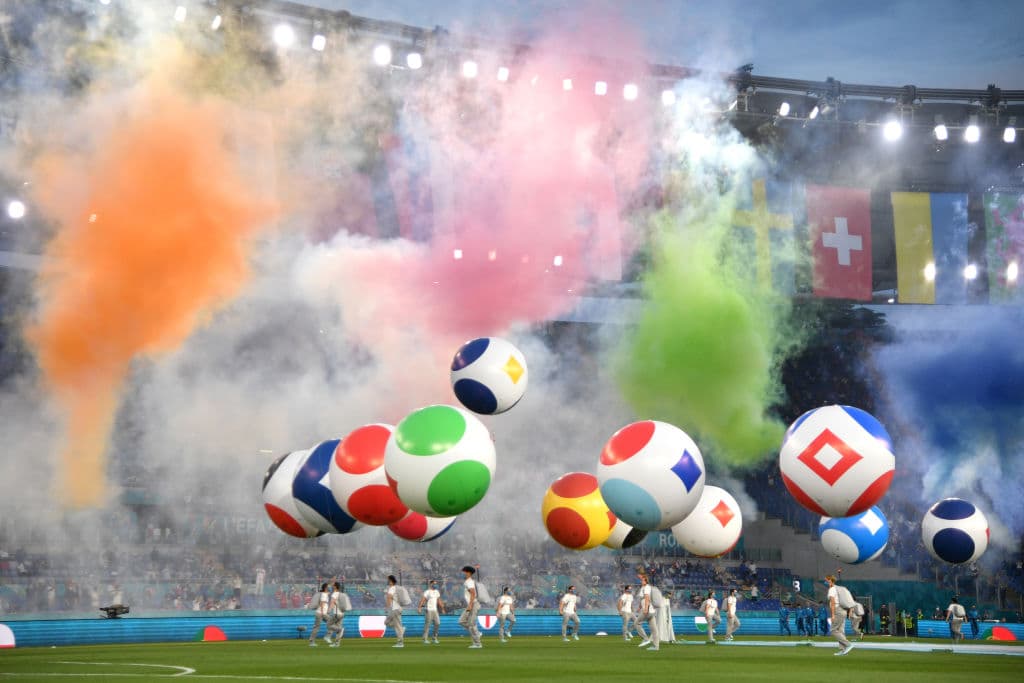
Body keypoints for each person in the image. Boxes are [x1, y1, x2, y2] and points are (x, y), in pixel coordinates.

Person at [826, 575, 853, 656]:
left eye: (827, 580)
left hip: (838, 610)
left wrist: (833, 614)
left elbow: (833, 602)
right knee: (840, 631)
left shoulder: (832, 589)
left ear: (830, 581)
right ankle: (843, 650)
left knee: (833, 630)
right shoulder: (839, 589)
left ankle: (848, 644)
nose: (826, 582)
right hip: (843, 610)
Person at [459, 566, 482, 649]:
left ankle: (478, 644)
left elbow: (473, 594)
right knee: (461, 621)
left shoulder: (469, 582)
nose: (462, 573)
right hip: (472, 604)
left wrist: (470, 605)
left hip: (473, 604)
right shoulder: (468, 581)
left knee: (471, 624)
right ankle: (477, 632)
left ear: (468, 573)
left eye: (463, 571)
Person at [637, 573, 660, 652]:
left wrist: (645, 608)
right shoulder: (644, 587)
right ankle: (656, 647)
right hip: (652, 611)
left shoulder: (646, 587)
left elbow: (647, 598)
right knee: (654, 630)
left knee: (636, 623)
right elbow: (642, 599)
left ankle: (645, 639)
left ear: (646, 580)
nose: (641, 581)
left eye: (642, 580)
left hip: (648, 610)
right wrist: (640, 607)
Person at [418, 580, 443, 644]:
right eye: (434, 583)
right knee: (427, 625)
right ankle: (425, 639)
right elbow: (423, 600)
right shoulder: (427, 592)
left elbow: (439, 600)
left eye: (436, 584)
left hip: (435, 610)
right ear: (431, 584)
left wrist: (442, 608)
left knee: (438, 623)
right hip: (428, 610)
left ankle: (434, 638)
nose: (435, 585)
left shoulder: (437, 592)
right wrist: (419, 608)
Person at [384, 575, 405, 648]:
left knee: (396, 626)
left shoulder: (392, 588)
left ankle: (400, 643)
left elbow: (389, 598)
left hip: (395, 609)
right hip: (398, 608)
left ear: (390, 580)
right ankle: (401, 629)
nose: (387, 581)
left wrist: (387, 608)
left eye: (388, 580)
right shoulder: (396, 588)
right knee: (387, 622)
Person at [308, 583, 330, 647]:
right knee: (317, 627)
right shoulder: (324, 595)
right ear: (325, 588)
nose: (329, 588)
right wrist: (323, 612)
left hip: (321, 613)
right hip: (321, 613)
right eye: (328, 587)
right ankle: (312, 642)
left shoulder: (324, 594)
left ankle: (326, 636)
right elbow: (322, 603)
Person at [326, 582, 346, 647]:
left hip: (336, 613)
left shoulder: (334, 594)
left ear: (335, 587)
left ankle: (340, 629)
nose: (332, 586)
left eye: (333, 585)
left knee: (329, 625)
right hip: (342, 613)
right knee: (338, 627)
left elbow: (332, 603)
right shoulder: (342, 594)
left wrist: (328, 610)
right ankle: (337, 643)